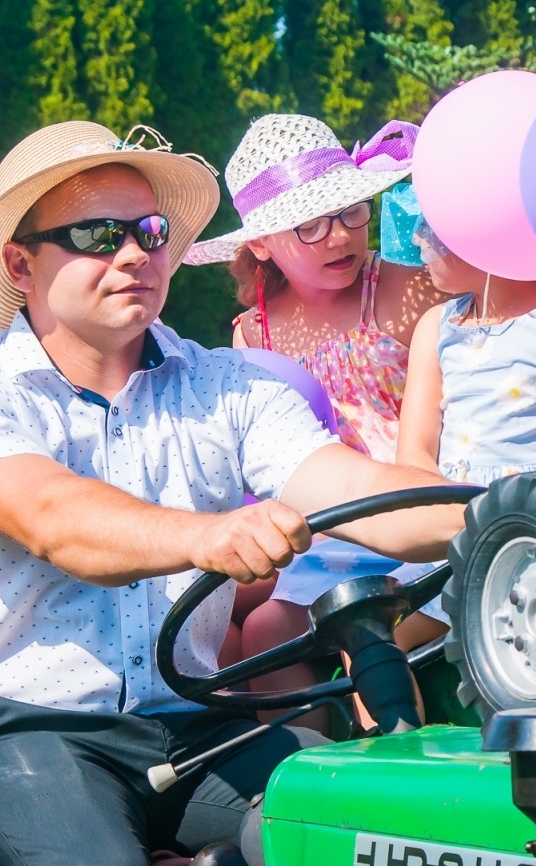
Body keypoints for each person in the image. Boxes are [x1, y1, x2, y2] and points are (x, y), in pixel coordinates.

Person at [0, 121, 464, 866]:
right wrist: (204, 535)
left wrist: (513, 510)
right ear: (20, 263)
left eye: (150, 230)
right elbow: (50, 517)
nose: (135, 252)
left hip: (198, 731)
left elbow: (360, 491)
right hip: (24, 737)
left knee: (379, 825)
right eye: (99, 234)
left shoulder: (230, 386)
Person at [183, 115, 449, 714]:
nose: (340, 236)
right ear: (260, 242)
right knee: (260, 632)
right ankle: (298, 761)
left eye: (352, 211)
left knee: (362, 629)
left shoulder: (406, 293)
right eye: (312, 225)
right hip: (325, 533)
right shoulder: (255, 333)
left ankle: (390, 760)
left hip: (413, 517)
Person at [397, 218, 536, 484]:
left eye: (430, 228)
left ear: (481, 237)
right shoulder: (436, 326)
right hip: (455, 514)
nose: (417, 239)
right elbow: (414, 452)